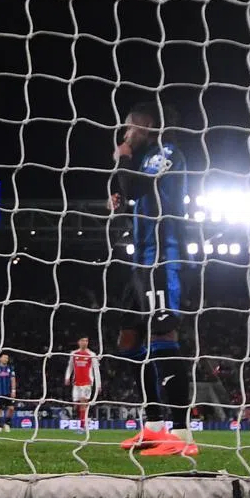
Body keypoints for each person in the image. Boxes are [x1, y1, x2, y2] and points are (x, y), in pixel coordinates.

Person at [111, 101, 197, 457]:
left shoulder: (167, 152)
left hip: (164, 256)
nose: (126, 131)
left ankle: (181, 433)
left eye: (131, 125)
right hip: (142, 261)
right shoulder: (146, 158)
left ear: (149, 126)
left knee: (163, 334)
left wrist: (123, 159)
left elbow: (138, 188)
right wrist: (121, 202)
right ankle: (154, 426)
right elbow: (134, 194)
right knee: (128, 339)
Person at [64, 335, 100, 430]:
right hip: (76, 383)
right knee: (77, 405)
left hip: (87, 383)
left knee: (83, 403)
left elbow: (96, 370)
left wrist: (98, 384)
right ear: (78, 342)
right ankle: (85, 420)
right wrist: (67, 377)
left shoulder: (91, 354)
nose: (85, 342)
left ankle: (82, 426)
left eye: (86, 341)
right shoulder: (74, 353)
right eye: (83, 340)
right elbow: (70, 366)